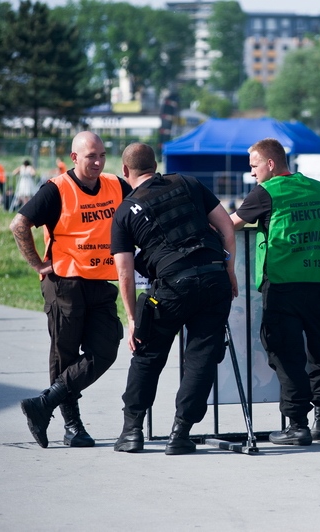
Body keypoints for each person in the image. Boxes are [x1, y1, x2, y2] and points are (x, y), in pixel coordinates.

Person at [110, 143, 237, 455]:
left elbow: (124, 273)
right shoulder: (188, 182)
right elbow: (226, 228)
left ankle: (132, 432)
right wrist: (230, 271)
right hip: (213, 278)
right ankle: (180, 433)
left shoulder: (125, 212)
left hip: (172, 287)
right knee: (202, 357)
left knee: (148, 354)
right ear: (156, 164)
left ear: (125, 172)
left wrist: (131, 320)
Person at [10, 131, 130, 449]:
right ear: (75, 158)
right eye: (91, 156)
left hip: (101, 282)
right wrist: (38, 264)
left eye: (102, 155)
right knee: (64, 355)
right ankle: (72, 425)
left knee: (105, 349)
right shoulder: (57, 189)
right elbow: (19, 224)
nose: (98, 161)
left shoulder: (116, 185)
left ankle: (44, 403)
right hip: (64, 282)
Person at [231, 137, 320, 446]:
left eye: (255, 166)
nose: (252, 173)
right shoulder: (318, 188)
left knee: (286, 354)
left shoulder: (266, 192)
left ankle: (297, 424)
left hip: (282, 285)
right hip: (318, 282)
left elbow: (230, 225)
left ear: (270, 164)